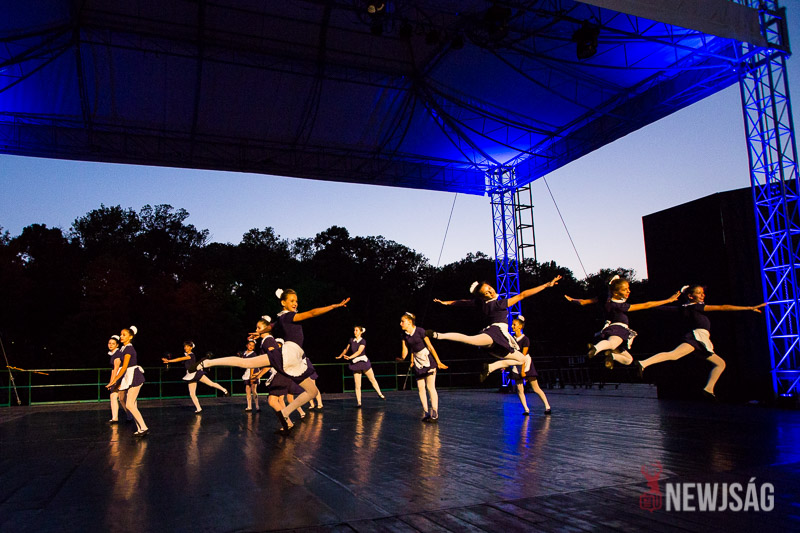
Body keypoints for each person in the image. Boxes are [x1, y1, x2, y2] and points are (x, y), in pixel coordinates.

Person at [193, 288, 349, 432]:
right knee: (246, 363)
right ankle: (206, 363)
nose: (295, 303)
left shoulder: (282, 317)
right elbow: (312, 313)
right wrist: (333, 306)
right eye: (291, 301)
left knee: (312, 391)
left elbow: (272, 326)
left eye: (296, 300)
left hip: (292, 357)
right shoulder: (289, 316)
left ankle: (285, 413)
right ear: (283, 303)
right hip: (288, 354)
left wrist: (259, 332)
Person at [636, 285, 766, 399]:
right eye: (698, 293)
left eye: (703, 293)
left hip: (701, 339)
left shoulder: (684, 307)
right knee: (674, 355)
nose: (702, 295)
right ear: (690, 296)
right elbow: (722, 307)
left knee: (720, 363)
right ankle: (643, 363)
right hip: (697, 337)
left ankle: (708, 389)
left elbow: (662, 309)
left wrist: (647, 306)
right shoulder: (696, 307)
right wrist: (749, 308)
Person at [428, 276, 562, 382]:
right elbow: (522, 295)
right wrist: (546, 285)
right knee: (470, 340)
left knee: (522, 359)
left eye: (490, 288)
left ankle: (491, 367)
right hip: (496, 333)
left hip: (495, 339)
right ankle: (438, 335)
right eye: (487, 292)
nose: (491, 292)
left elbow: (464, 302)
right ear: (483, 296)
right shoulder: (499, 304)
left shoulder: (481, 304)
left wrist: (447, 303)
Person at [565, 276, 679, 369]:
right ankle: (595, 348)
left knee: (629, 360)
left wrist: (572, 300)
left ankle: (612, 356)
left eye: (628, 288)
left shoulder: (604, 299)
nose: (629, 291)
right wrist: (668, 300)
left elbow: (583, 302)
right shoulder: (620, 306)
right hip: (618, 329)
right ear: (615, 292)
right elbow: (647, 305)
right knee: (612, 343)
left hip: (610, 329)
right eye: (624, 290)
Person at [398, 312, 447, 421]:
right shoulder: (404, 335)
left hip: (427, 359)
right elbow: (405, 350)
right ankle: (426, 413)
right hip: (417, 362)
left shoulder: (420, 331)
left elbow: (430, 347)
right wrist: (402, 358)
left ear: (409, 322)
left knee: (430, 387)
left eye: (402, 321)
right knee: (420, 388)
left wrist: (438, 362)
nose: (400, 323)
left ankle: (435, 412)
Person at [162, 341, 229, 414]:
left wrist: (169, 361)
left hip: (196, 373)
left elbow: (180, 359)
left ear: (191, 347)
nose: (185, 348)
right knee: (192, 394)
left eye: (187, 346)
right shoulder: (186, 355)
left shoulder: (191, 355)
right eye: (185, 346)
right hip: (190, 375)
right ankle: (198, 408)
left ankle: (224, 390)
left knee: (211, 384)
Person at [106, 326, 149, 437]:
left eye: (124, 335)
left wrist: (114, 380)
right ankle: (140, 428)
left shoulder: (129, 349)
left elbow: (124, 366)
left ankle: (144, 427)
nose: (121, 336)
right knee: (132, 404)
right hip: (129, 377)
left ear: (130, 337)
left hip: (135, 377)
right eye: (121, 334)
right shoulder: (123, 349)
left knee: (129, 404)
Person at [508, 316, 551, 415]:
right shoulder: (511, 339)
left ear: (520, 326)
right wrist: (505, 365)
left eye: (514, 325)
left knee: (535, 388)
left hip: (525, 363)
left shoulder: (525, 339)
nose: (512, 326)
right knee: (520, 389)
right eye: (512, 324)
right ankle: (526, 409)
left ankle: (547, 406)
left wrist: (523, 370)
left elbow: (523, 356)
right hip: (516, 364)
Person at [336, 326, 385, 407]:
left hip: (363, 361)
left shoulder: (363, 341)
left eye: (356, 330)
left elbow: (359, 352)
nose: (354, 332)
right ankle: (359, 402)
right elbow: (346, 349)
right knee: (357, 384)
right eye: (354, 330)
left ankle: (380, 394)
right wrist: (340, 356)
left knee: (372, 379)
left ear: (361, 332)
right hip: (355, 363)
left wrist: (350, 357)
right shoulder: (351, 340)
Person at [106, 334, 131, 424]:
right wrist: (111, 381)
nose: (110, 345)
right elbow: (113, 370)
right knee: (115, 396)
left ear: (117, 345)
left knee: (121, 398)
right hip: (118, 377)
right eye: (109, 343)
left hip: (121, 377)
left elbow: (116, 369)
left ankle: (129, 415)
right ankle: (116, 417)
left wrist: (112, 382)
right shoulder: (114, 354)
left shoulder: (117, 354)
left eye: (113, 343)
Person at [240, 339, 261, 411]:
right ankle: (249, 406)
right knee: (247, 390)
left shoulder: (253, 354)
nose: (251, 347)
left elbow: (253, 365)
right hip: (247, 372)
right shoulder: (244, 353)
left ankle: (257, 406)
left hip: (253, 371)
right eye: (250, 345)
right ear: (247, 345)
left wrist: (251, 376)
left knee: (254, 390)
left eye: (253, 346)